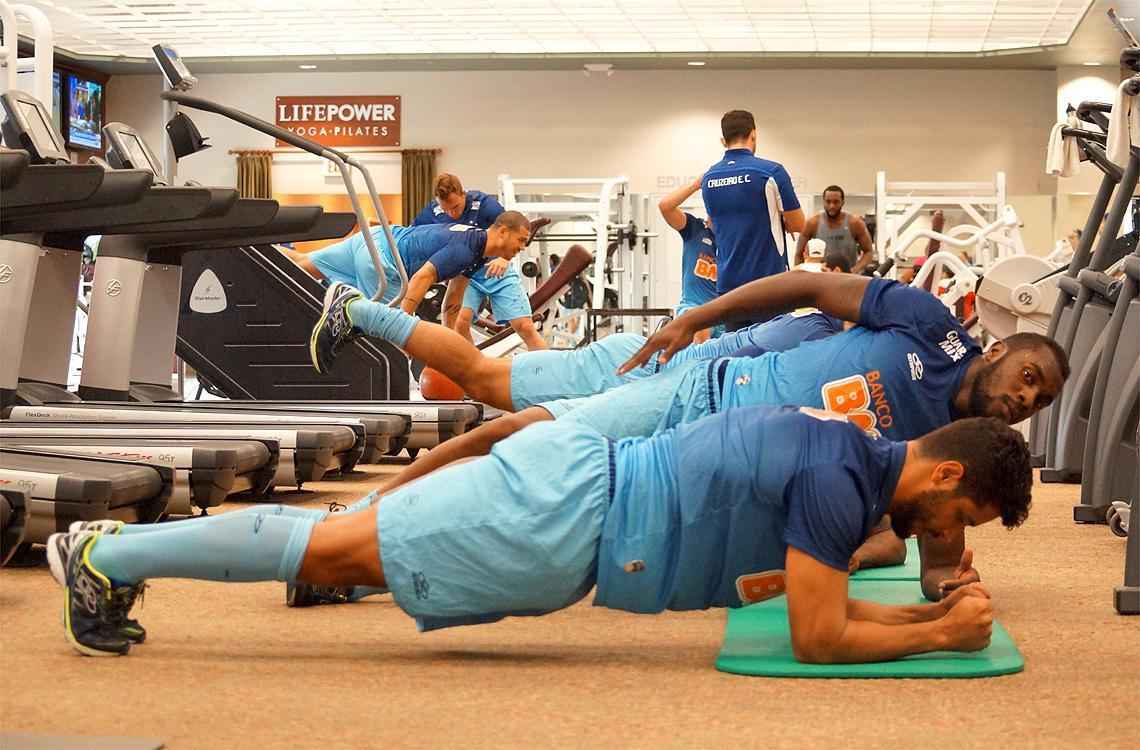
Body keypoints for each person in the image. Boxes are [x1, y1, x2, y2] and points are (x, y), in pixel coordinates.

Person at [50, 405, 1028, 659]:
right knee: (331, 543)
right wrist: (938, 630)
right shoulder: (838, 484)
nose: (950, 538)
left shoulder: (850, 457)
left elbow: (800, 600)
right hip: (558, 516)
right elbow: (817, 637)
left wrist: (924, 620)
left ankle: (121, 555)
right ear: (943, 474)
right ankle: (100, 553)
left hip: (571, 498)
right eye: (961, 518)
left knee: (345, 545)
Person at [284, 211, 531, 316]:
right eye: (520, 240)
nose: (521, 247)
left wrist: (452, 339)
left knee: (302, 264)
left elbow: (454, 298)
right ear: (502, 232)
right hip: (382, 260)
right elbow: (421, 278)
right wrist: (403, 322)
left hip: (377, 236)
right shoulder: (467, 248)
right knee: (391, 332)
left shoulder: (477, 249)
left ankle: (254, 247)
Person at [413, 173, 547, 350]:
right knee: (460, 323)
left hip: (497, 271)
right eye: (446, 210)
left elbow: (512, 230)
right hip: (464, 276)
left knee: (525, 326)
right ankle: (474, 368)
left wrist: (503, 259)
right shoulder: (432, 211)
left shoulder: (483, 204)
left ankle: (548, 372)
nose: (452, 214)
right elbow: (415, 237)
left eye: (455, 207)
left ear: (463, 194)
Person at [701, 110, 805, 331]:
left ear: (723, 140)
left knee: (738, 355)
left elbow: (712, 224)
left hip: (729, 286)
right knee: (768, 357)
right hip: (768, 283)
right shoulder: (771, 172)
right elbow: (798, 225)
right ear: (754, 134)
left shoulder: (708, 178)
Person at [657, 178, 720, 343]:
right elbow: (665, 206)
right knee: (700, 326)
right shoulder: (695, 230)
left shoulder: (736, 240)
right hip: (693, 308)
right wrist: (696, 184)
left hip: (724, 313)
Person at [795, 185, 874, 272]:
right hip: (822, 277)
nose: (832, 206)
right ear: (823, 202)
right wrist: (800, 275)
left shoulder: (855, 223)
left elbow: (868, 252)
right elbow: (799, 254)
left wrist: (854, 270)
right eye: (828, 202)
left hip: (847, 278)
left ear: (842, 202)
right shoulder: (812, 223)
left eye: (836, 202)